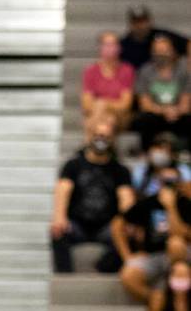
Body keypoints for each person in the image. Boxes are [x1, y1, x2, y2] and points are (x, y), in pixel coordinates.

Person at [51, 117, 135, 273]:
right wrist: (59, 216)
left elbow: (126, 198)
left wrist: (128, 221)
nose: (101, 140)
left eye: (106, 136)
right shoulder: (73, 165)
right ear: (89, 136)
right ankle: (66, 277)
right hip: (78, 224)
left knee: (128, 233)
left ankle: (102, 269)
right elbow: (63, 189)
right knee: (58, 231)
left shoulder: (120, 170)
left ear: (113, 139)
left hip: (106, 226)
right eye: (98, 135)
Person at [115, 167, 191, 302]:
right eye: (165, 181)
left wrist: (170, 207)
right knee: (128, 275)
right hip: (154, 255)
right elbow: (117, 224)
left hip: (182, 255)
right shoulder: (148, 203)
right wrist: (127, 255)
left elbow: (182, 234)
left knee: (175, 244)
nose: (169, 185)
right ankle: (159, 303)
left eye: (172, 181)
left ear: (179, 182)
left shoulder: (185, 204)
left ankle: (178, 296)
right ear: (158, 182)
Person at [132, 35, 191, 151]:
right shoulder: (145, 71)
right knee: (145, 119)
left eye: (164, 50)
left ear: (173, 51)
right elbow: (145, 104)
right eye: (158, 51)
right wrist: (165, 110)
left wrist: (176, 111)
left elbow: (186, 103)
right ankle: (147, 153)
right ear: (152, 52)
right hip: (155, 115)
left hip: (178, 114)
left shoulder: (183, 71)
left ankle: (186, 154)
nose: (161, 54)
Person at [82, 32, 135, 128]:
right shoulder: (91, 71)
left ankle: (88, 142)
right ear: (100, 48)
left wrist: (104, 103)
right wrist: (104, 105)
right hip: (102, 115)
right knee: (107, 121)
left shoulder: (126, 70)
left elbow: (125, 105)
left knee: (105, 117)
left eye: (113, 44)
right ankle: (98, 140)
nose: (110, 48)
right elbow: (86, 105)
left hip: (120, 117)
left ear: (119, 48)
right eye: (106, 45)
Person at [119, 6, 189, 71]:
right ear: (131, 24)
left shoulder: (162, 35)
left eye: (143, 21)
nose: (140, 26)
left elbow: (188, 44)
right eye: (136, 22)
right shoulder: (124, 44)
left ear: (150, 21)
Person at [131, 133, 191, 199]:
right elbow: (133, 195)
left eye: (166, 149)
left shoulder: (182, 170)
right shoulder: (140, 170)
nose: (160, 152)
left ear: (173, 154)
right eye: (157, 148)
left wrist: (178, 179)